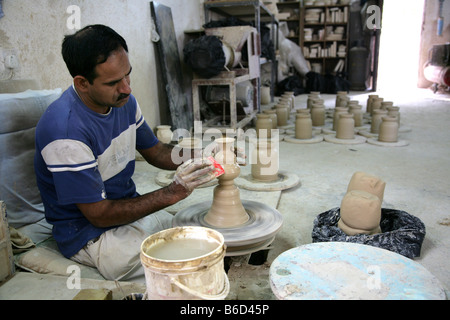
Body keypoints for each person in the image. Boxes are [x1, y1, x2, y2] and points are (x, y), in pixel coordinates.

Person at [34, 24, 216, 282]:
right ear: (82, 83)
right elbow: (99, 214)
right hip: (87, 233)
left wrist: (207, 152)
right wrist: (172, 192)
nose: (127, 88)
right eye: (113, 82)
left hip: (127, 210)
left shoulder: (123, 101)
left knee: (199, 235)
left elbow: (157, 152)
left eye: (127, 76)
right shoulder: (65, 131)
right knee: (177, 267)